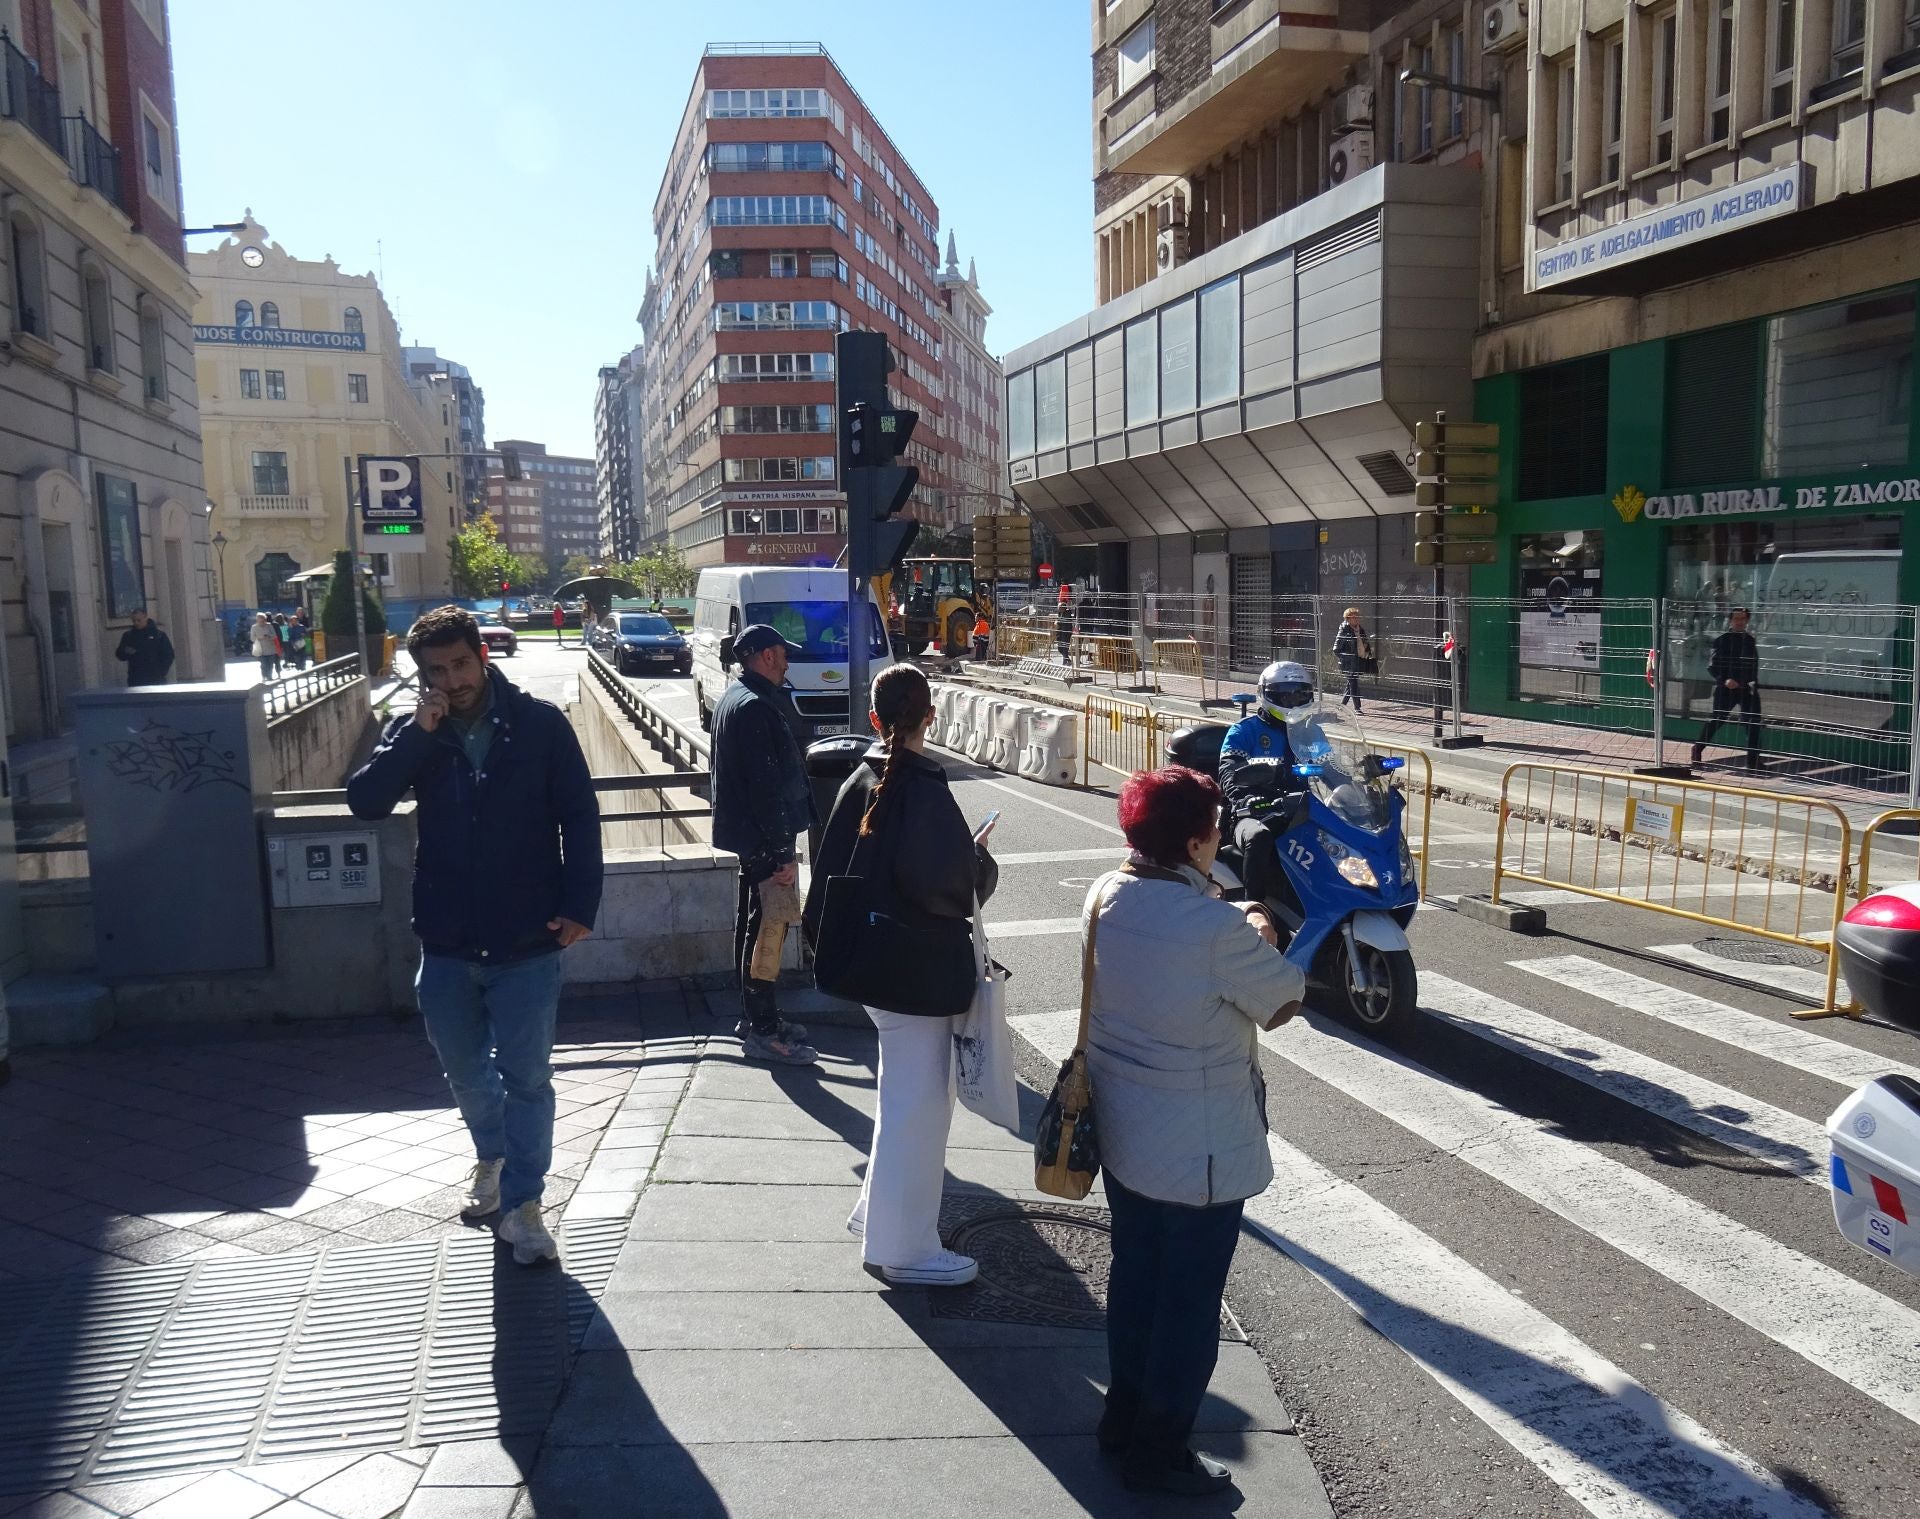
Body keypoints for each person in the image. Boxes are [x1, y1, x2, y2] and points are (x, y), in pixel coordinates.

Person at [346, 606, 602, 1267]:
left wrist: (580, 904)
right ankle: (493, 1155)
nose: (454, 680)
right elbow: (367, 801)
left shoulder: (539, 724)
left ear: (482, 657)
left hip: (527, 937)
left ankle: (524, 1206)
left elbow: (579, 815)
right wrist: (417, 736)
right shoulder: (417, 733)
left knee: (528, 1078)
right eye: (438, 671)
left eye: (462, 664)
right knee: (462, 1069)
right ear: (423, 676)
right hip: (448, 939)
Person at [1086, 766, 1303, 1495]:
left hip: (1125, 1129)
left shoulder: (1105, 894)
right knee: (1187, 1303)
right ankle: (1159, 1449)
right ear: (1192, 843)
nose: (1219, 838)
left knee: (1135, 1279)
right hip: (1198, 1146)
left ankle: (1121, 1417)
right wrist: (1260, 928)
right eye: (1214, 828)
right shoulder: (1216, 929)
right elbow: (1282, 1002)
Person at [805, 665, 998, 1286]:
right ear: (930, 718)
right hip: (916, 973)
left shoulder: (860, 779)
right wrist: (979, 859)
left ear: (874, 718)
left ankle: (877, 1214)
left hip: (871, 965)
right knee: (921, 1109)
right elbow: (953, 888)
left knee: (901, 1098)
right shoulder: (922, 787)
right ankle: (905, 1249)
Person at [710, 624, 818, 1066]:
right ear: (767, 656)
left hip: (748, 836)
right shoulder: (754, 706)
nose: (787, 662)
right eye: (783, 654)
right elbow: (766, 788)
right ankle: (765, 1033)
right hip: (764, 841)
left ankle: (755, 1016)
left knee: (752, 925)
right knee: (767, 932)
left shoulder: (735, 697)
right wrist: (782, 853)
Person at [1218, 661, 1317, 919]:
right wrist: (1244, 798)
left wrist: (1360, 774)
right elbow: (1228, 771)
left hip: (1299, 810)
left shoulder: (1310, 733)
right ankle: (1255, 911)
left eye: (1299, 695)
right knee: (1258, 837)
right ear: (1266, 694)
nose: (1292, 701)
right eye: (1285, 695)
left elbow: (1331, 767)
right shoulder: (1245, 730)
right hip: (1254, 812)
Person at [1691, 607, 1763, 770]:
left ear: (1747, 620)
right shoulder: (1722, 640)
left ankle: (1753, 762)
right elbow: (1712, 666)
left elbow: (1753, 664)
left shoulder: (1750, 640)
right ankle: (1697, 749)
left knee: (1753, 723)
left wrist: (1754, 682)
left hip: (1747, 689)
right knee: (1717, 720)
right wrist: (1724, 680)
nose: (1739, 622)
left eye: (1742, 619)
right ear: (1730, 620)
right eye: (1736, 618)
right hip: (1726, 689)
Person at [115, 608, 174, 687]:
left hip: (156, 679)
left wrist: (161, 672)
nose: (136, 623)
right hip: (136, 679)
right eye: (134, 621)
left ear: (145, 618)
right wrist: (125, 651)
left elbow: (168, 655)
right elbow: (120, 655)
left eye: (139, 620)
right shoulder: (129, 636)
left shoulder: (159, 635)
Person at [1333, 606, 1372, 712]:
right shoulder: (1344, 630)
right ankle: (1357, 708)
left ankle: (1342, 706)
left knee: (1350, 684)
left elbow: (1365, 643)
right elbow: (1336, 649)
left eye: (1357, 617)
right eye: (1353, 617)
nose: (1356, 619)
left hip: (1358, 661)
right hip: (1348, 664)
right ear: (1348, 619)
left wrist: (1367, 652)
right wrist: (1348, 658)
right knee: (1354, 683)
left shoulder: (1360, 629)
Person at [249, 612, 279, 680]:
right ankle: (264, 676)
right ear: (257, 620)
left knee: (270, 664)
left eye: (263, 620)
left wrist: (269, 636)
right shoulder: (254, 627)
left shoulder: (269, 625)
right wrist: (259, 638)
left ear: (265, 619)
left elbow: (275, 636)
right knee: (264, 664)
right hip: (260, 650)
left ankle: (269, 676)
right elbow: (252, 638)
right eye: (259, 620)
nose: (261, 622)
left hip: (271, 649)